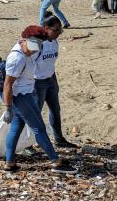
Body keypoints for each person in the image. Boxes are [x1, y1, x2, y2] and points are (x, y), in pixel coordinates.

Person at [2, 25, 77, 174]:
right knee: (39, 128)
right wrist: (8, 108)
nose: (37, 48)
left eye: (40, 44)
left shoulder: (28, 49)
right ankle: (56, 161)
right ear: (26, 39)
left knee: (16, 127)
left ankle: (9, 163)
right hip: (19, 96)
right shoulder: (16, 58)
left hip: (26, 93)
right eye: (35, 43)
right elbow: (7, 84)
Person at [35, 12, 77, 148]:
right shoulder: (37, 44)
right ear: (46, 28)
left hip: (51, 80)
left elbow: (51, 63)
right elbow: (27, 65)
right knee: (34, 115)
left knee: (55, 110)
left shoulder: (55, 42)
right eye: (56, 30)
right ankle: (27, 146)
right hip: (37, 83)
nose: (59, 33)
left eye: (60, 30)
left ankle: (59, 139)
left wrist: (54, 80)